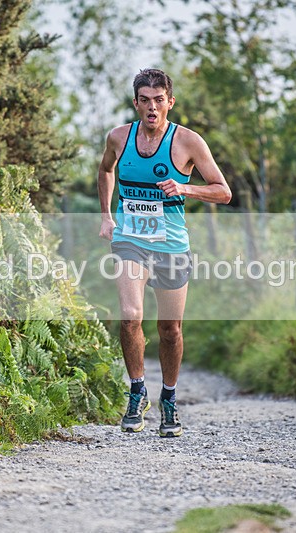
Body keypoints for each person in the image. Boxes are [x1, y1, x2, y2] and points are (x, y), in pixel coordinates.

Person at [97, 68, 232, 437]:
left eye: (159, 100)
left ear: (170, 103)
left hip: (171, 246)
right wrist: (108, 216)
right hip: (129, 240)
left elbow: (223, 191)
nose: (152, 107)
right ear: (136, 103)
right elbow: (106, 171)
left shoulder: (188, 142)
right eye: (145, 100)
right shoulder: (118, 137)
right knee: (130, 316)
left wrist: (186, 189)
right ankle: (137, 390)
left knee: (169, 329)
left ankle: (169, 399)